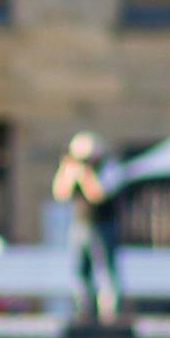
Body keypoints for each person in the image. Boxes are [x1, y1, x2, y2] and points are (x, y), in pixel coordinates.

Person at [53, 130, 119, 323]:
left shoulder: (108, 168)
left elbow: (96, 194)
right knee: (79, 272)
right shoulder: (75, 169)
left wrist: (85, 174)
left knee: (104, 272)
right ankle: (82, 310)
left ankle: (108, 313)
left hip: (103, 226)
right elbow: (60, 193)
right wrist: (68, 171)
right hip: (79, 225)